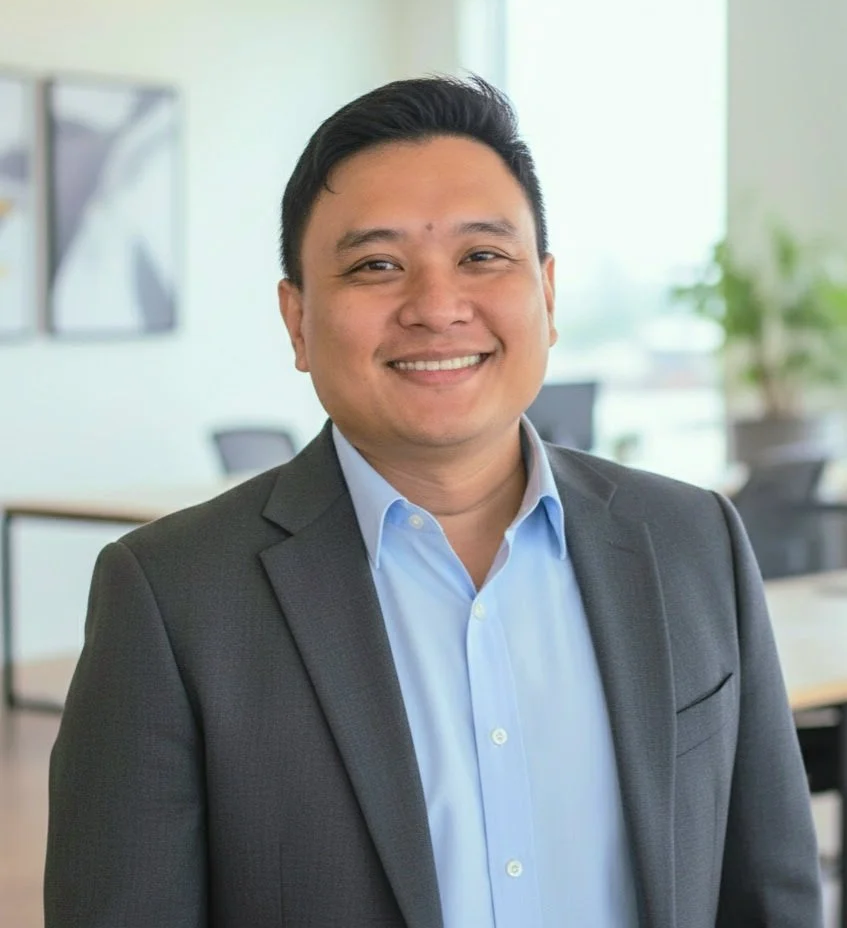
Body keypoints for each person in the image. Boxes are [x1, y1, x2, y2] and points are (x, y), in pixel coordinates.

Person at [45, 75, 823, 928]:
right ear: (297, 321)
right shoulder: (172, 598)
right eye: (375, 266)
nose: (437, 307)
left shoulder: (691, 539)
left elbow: (769, 892)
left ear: (548, 296)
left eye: (482, 257)